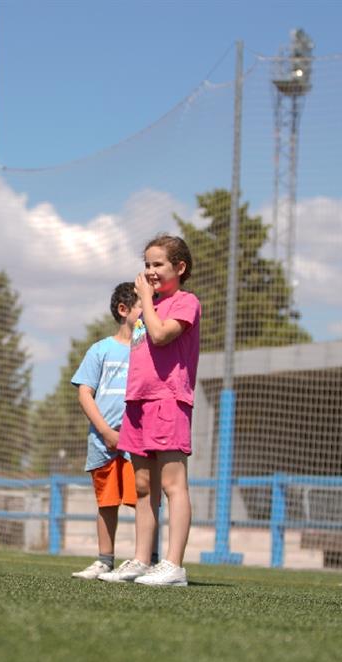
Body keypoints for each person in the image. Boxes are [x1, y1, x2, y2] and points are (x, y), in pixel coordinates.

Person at [99, 235, 199, 587]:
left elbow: (159, 336)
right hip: (138, 403)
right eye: (147, 265)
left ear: (179, 268)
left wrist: (144, 300)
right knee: (143, 487)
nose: (151, 271)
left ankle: (173, 565)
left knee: (173, 485)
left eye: (158, 264)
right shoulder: (146, 307)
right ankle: (141, 560)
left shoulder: (185, 303)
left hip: (168, 400)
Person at [70, 282, 140, 580]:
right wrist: (107, 432)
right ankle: (104, 560)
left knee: (144, 500)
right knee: (107, 503)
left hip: (139, 442)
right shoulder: (100, 350)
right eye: (142, 308)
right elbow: (85, 393)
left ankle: (145, 559)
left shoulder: (149, 351)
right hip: (104, 444)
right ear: (124, 310)